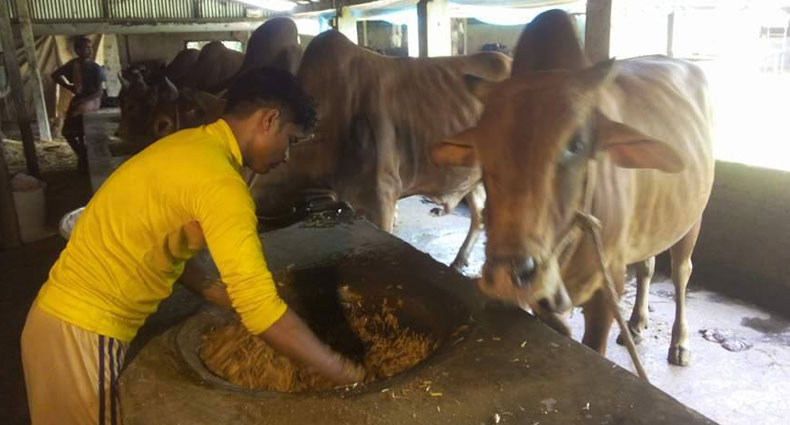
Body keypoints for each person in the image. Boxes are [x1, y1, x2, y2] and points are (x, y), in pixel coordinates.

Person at [22, 67, 364, 425]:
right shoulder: (221, 182)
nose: (287, 156)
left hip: (58, 324)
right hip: (83, 332)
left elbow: (163, 242)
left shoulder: (189, 147)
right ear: (269, 120)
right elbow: (260, 309)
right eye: (290, 140)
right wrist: (341, 370)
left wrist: (217, 292)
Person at [52, 36, 106, 174]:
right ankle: (82, 155)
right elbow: (55, 75)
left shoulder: (95, 68)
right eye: (86, 48)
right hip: (79, 101)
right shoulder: (73, 65)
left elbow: (99, 92)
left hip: (92, 101)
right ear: (77, 50)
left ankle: (86, 159)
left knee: (87, 133)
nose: (90, 50)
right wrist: (69, 87)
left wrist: (83, 101)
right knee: (68, 133)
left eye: (90, 48)